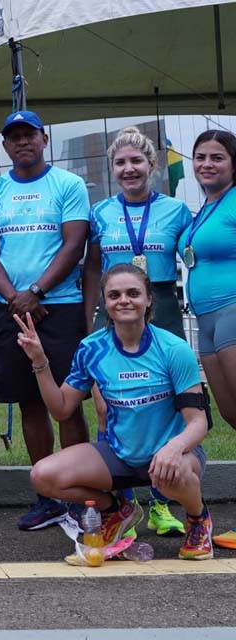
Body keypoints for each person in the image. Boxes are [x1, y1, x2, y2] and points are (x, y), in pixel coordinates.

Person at [20, 263, 213, 560]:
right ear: (105, 303)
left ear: (149, 299)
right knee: (42, 475)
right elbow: (60, 409)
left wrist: (174, 448)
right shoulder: (91, 348)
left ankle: (198, 519)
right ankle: (115, 510)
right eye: (115, 295)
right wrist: (39, 360)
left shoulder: (174, 349)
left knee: (171, 474)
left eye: (133, 293)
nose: (124, 300)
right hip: (121, 455)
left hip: (174, 457)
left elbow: (198, 423)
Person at [0, 110, 90, 531]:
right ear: (5, 145)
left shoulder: (69, 184)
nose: (22, 142)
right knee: (29, 401)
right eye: (14, 137)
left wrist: (36, 291)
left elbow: (74, 243)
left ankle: (79, 494)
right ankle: (49, 497)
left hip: (58, 305)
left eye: (29, 135)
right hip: (10, 309)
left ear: (44, 139)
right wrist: (15, 298)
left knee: (68, 402)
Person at [82, 126, 193, 537]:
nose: (129, 169)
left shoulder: (177, 212)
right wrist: (89, 314)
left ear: (152, 165)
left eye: (136, 161)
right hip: (113, 311)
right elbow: (92, 267)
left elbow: (196, 259)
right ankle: (124, 503)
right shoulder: (100, 213)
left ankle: (162, 502)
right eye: (120, 163)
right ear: (112, 169)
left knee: (163, 407)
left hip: (159, 309)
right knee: (107, 405)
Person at [175, 130, 236, 549]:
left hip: (234, 311)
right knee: (233, 416)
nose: (207, 164)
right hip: (207, 322)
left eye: (217, 156)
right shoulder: (204, 209)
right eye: (200, 157)